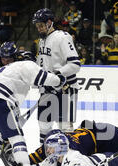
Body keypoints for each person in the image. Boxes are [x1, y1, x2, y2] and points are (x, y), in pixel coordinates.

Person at [32, 8, 81, 144]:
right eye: (37, 26)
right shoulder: (42, 40)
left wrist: (58, 75)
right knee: (43, 126)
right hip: (47, 88)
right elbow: (43, 63)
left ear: (49, 23)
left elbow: (75, 64)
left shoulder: (62, 37)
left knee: (65, 128)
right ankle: (45, 157)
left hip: (66, 88)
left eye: (41, 25)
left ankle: (66, 160)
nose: (39, 28)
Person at [24, 120, 118, 166]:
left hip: (107, 135)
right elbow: (31, 159)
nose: (48, 151)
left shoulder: (74, 150)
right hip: (94, 137)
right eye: (47, 146)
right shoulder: (52, 146)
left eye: (50, 147)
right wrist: (18, 165)